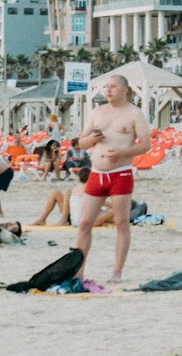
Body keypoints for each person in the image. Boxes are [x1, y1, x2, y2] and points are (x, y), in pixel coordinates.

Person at [75, 74, 152, 283]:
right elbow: (80, 142)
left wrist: (123, 152)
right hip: (97, 173)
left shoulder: (134, 114)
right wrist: (90, 139)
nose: (108, 90)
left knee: (121, 222)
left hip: (121, 173)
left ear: (125, 90)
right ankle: (79, 270)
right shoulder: (96, 112)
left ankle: (117, 272)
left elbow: (146, 144)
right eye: (106, 87)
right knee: (84, 223)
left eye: (113, 87)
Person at [33, 166, 116, 229]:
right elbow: (105, 204)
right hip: (84, 220)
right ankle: (60, 219)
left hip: (73, 217)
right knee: (112, 212)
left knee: (62, 192)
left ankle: (59, 218)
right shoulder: (92, 189)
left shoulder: (76, 188)